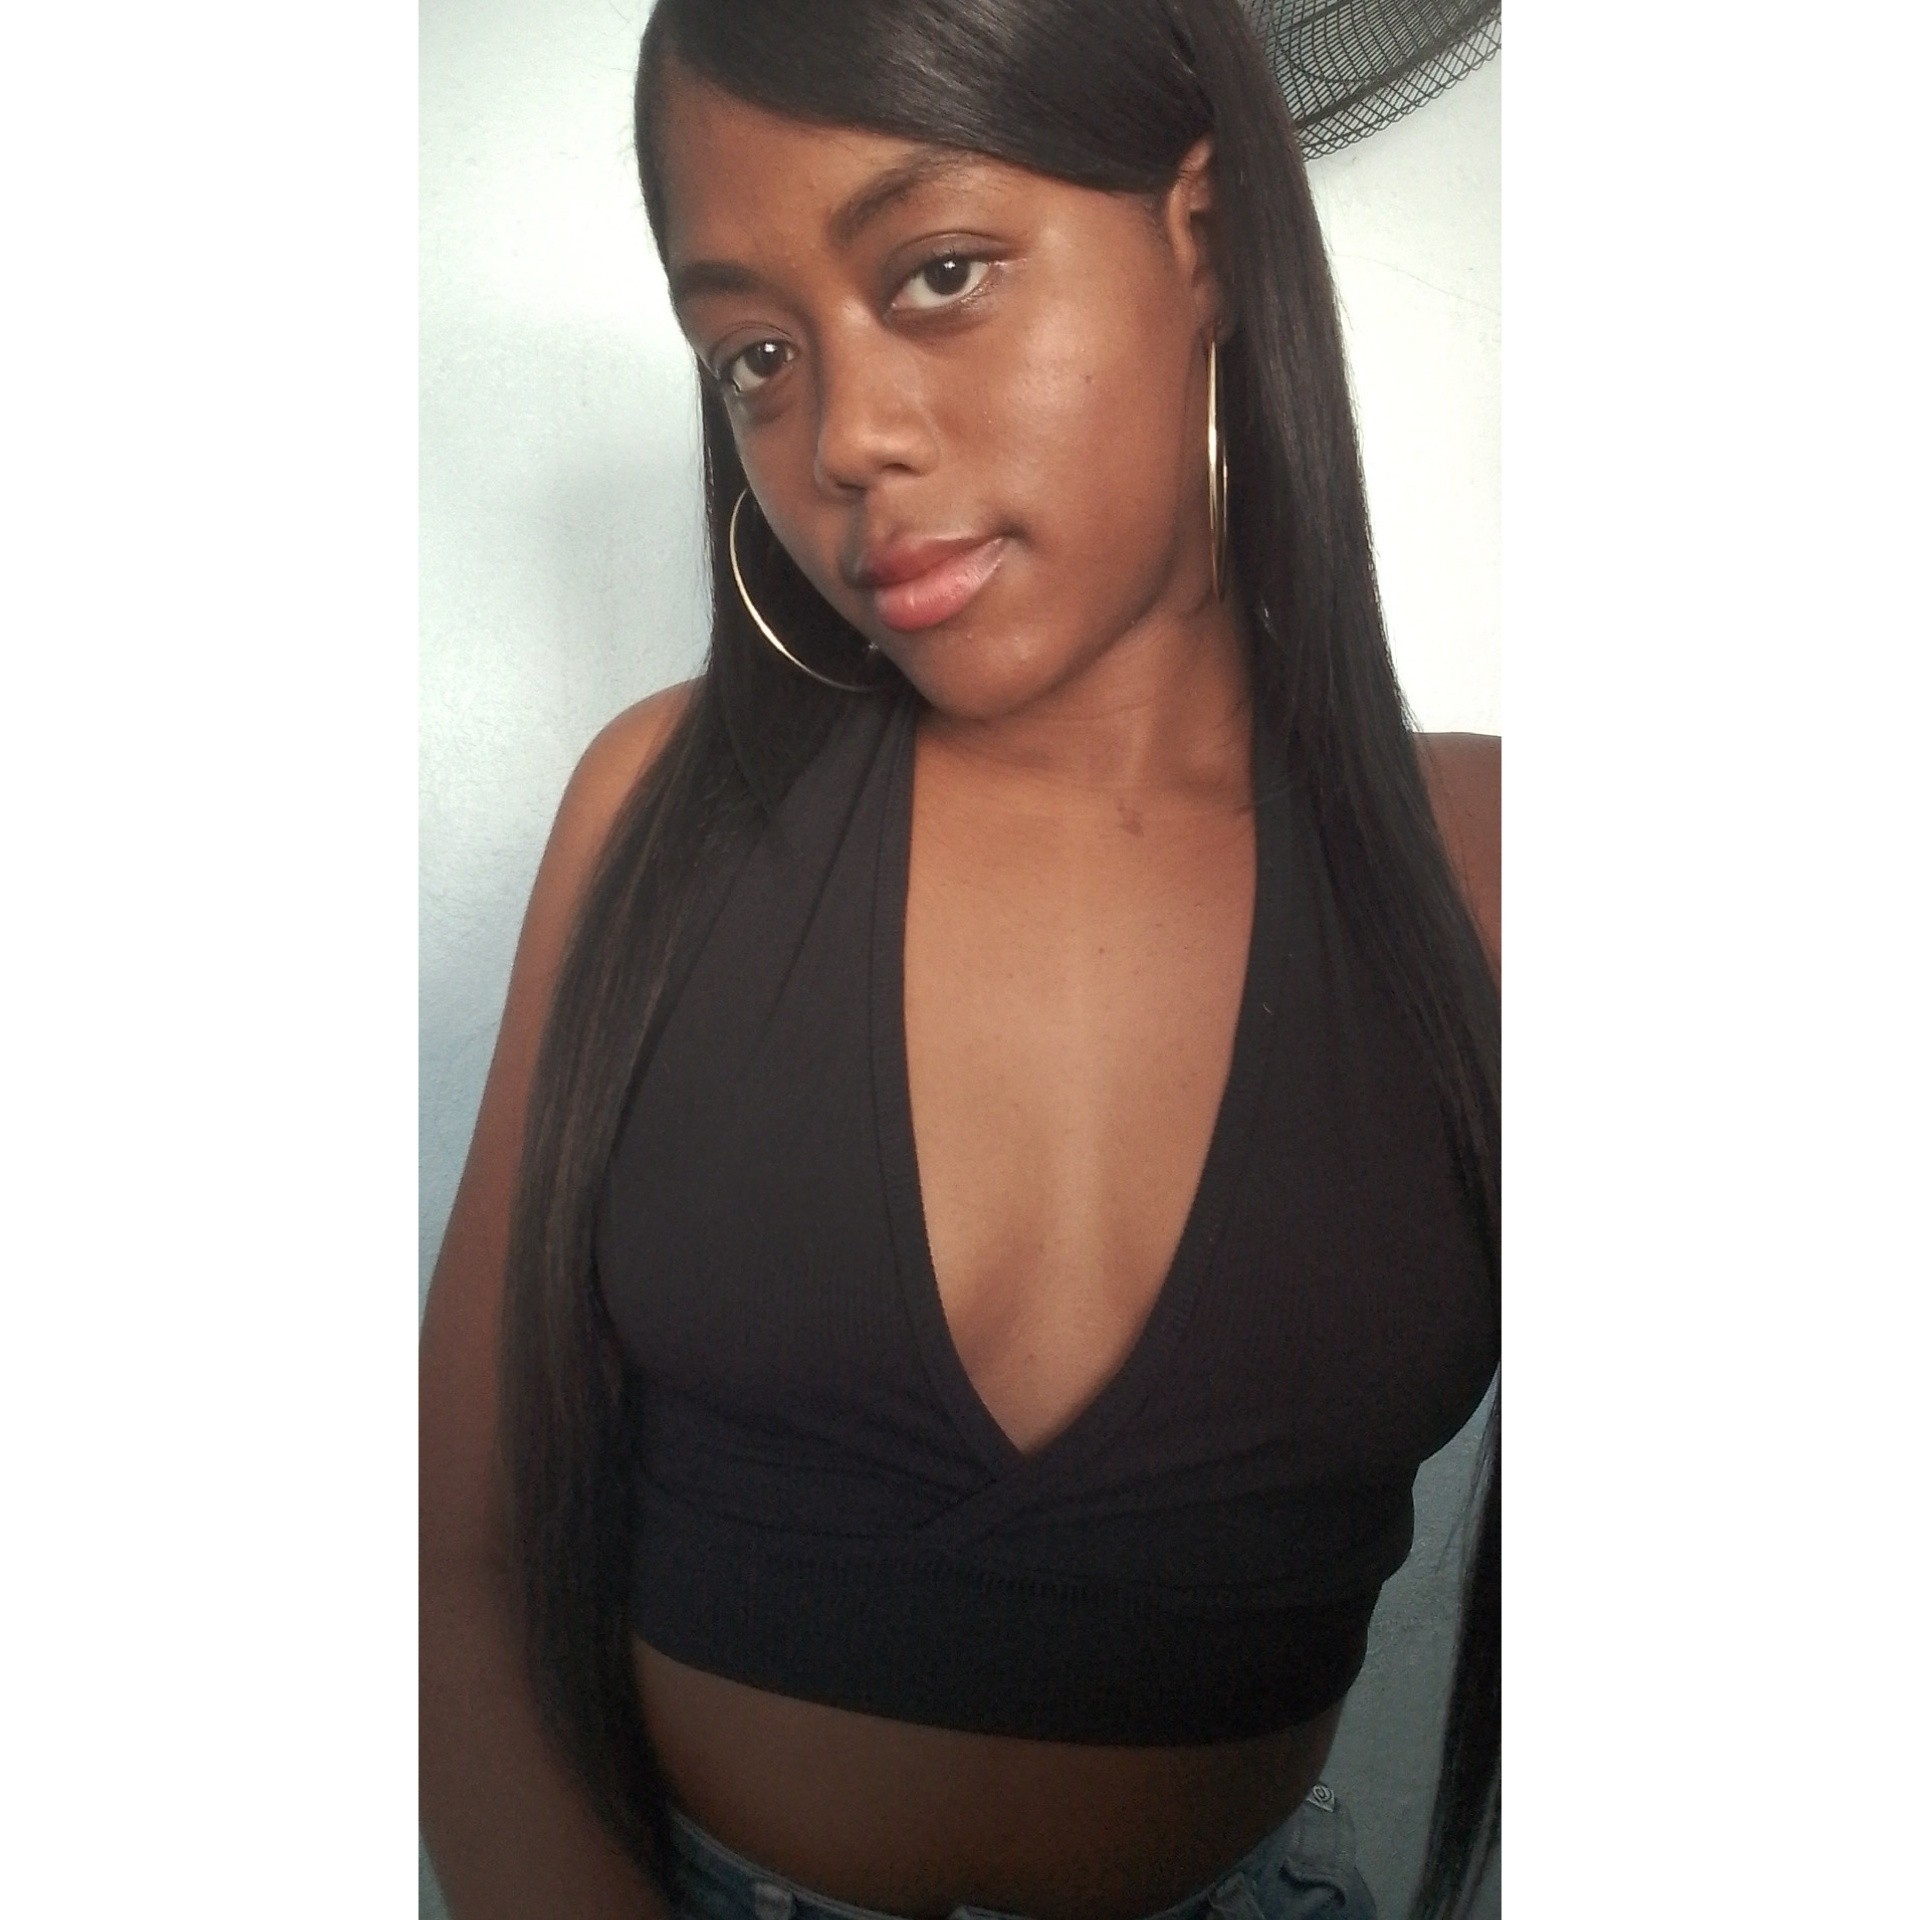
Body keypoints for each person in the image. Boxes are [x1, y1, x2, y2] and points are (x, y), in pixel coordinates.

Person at [419, 3, 1500, 1918]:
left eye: (938, 273)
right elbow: (453, 1551)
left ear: (1203, 240)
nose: (845, 438)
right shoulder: (661, 820)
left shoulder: (1501, 869)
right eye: (756, 355)